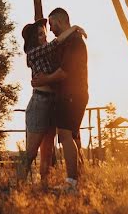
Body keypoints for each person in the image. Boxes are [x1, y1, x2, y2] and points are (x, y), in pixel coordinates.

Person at [20, 16, 85, 184]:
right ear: (34, 39)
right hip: (39, 103)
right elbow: (56, 42)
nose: (45, 37)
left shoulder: (48, 53)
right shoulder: (33, 52)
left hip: (52, 103)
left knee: (47, 153)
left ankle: (44, 186)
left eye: (44, 33)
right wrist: (75, 27)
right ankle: (16, 184)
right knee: (31, 152)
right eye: (41, 35)